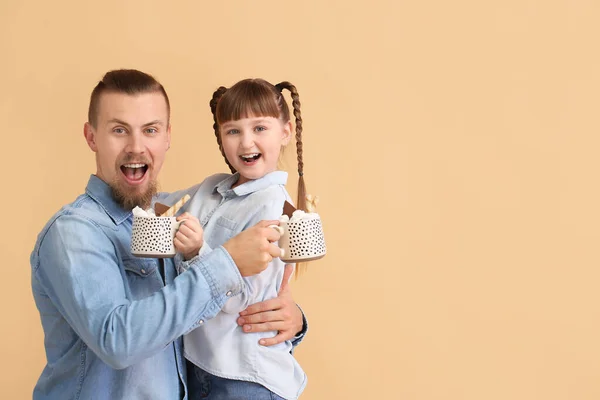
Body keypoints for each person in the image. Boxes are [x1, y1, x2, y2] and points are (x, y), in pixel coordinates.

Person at [30, 69, 306, 400]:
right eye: (119, 130)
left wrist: (289, 319)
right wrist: (227, 264)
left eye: (150, 130)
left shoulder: (176, 213)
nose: (136, 147)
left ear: (167, 137)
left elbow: (200, 306)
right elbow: (118, 340)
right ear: (91, 137)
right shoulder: (73, 233)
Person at [161, 78, 310, 399]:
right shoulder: (210, 189)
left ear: (285, 132)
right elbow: (158, 205)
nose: (246, 143)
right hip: (201, 365)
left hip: (245, 378)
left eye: (259, 128)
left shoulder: (274, 207)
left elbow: (240, 303)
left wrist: (197, 252)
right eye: (233, 131)